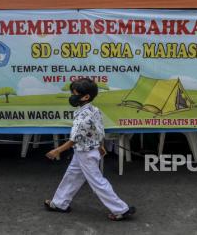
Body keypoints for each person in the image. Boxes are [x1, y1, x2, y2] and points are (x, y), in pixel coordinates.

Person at [44, 78, 135, 221]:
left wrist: (57, 151)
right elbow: (98, 131)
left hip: (85, 153)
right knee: (72, 175)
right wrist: (100, 146)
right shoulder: (94, 110)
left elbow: (74, 139)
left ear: (86, 96)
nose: (71, 96)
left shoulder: (83, 116)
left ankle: (120, 209)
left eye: (74, 93)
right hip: (86, 151)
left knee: (97, 182)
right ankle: (59, 203)